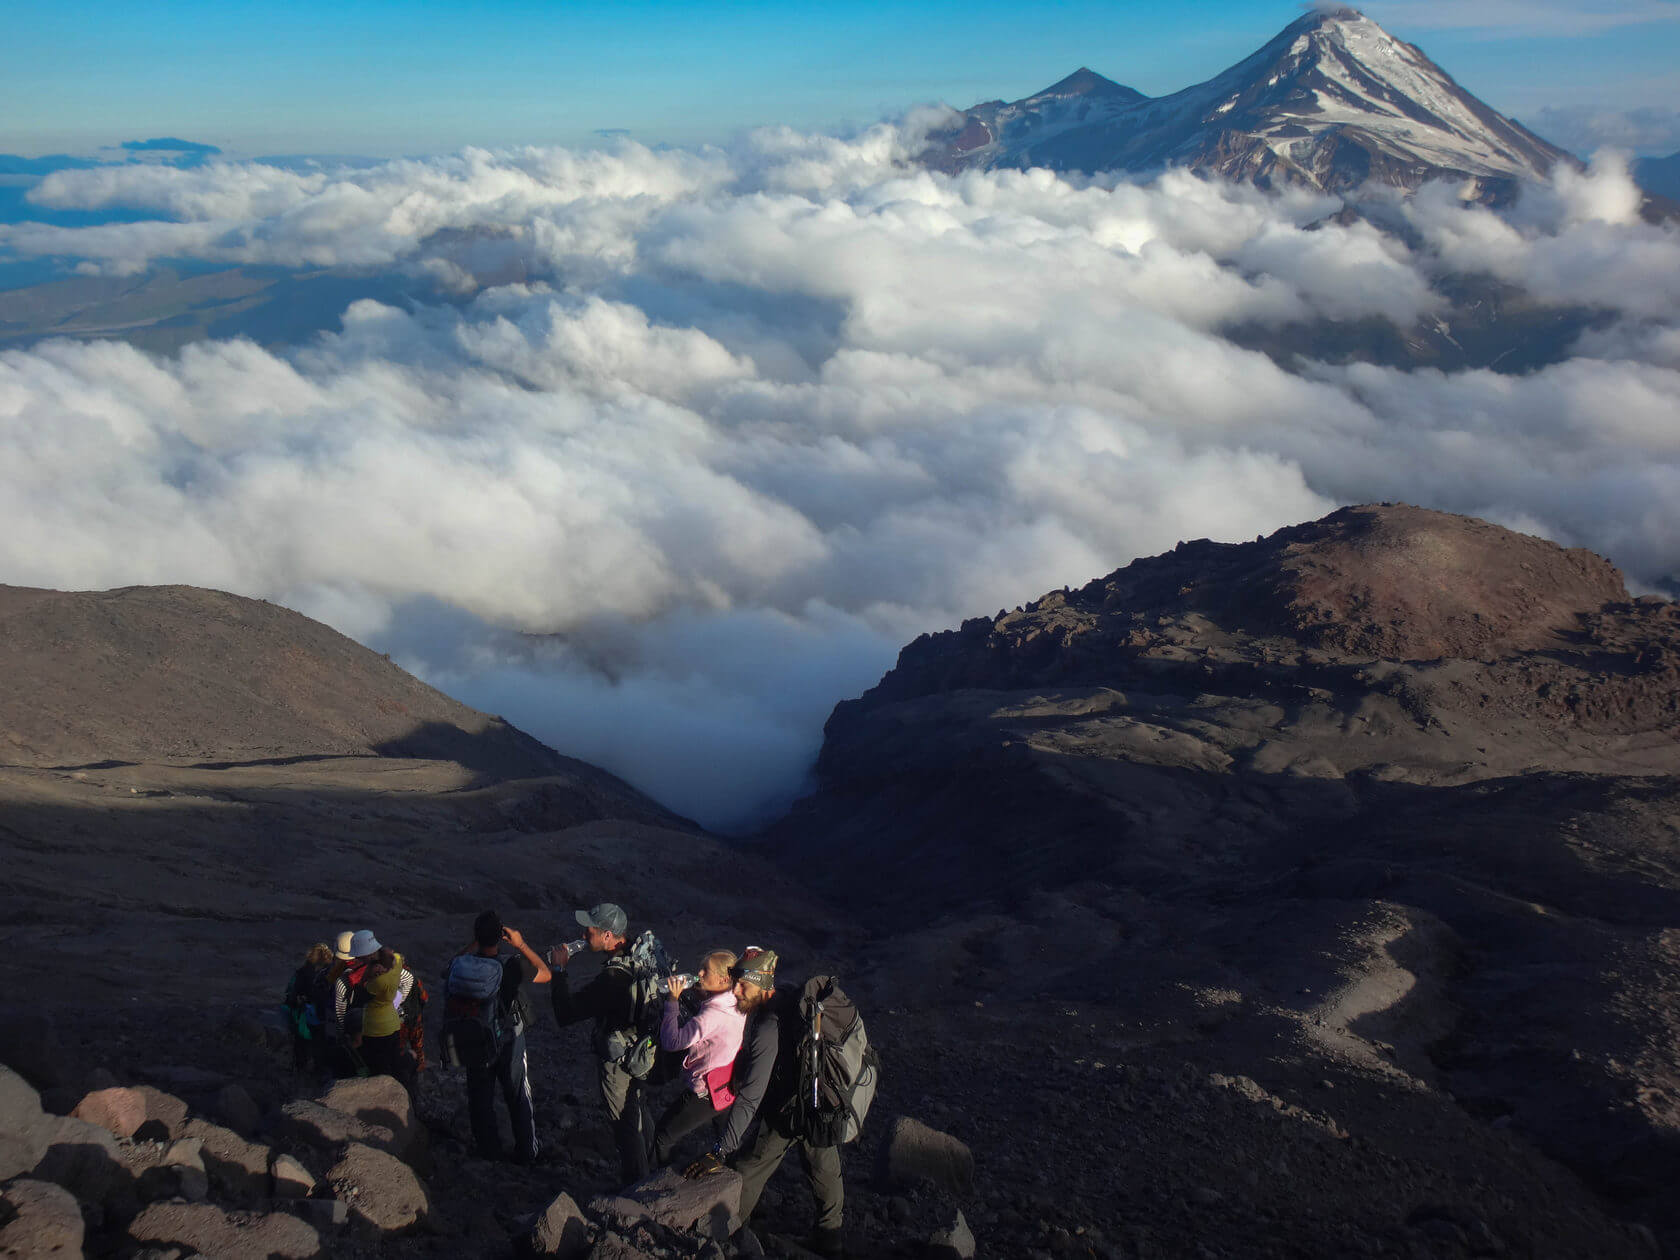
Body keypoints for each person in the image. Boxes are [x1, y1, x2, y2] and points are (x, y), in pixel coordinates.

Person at [687, 949, 846, 1260]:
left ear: (761, 985)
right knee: (824, 1166)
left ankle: (726, 1234)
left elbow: (750, 1098)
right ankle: (831, 1238)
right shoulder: (787, 994)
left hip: (789, 1111)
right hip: (818, 1100)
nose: (735, 991)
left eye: (742, 985)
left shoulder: (767, 1024)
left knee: (748, 1167)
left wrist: (720, 1151)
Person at [549, 902, 656, 1184]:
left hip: (618, 1060)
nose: (584, 936)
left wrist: (559, 971)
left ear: (608, 936)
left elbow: (566, 1014)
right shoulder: (639, 955)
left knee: (624, 1122)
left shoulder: (612, 979)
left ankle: (637, 1185)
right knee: (639, 1109)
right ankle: (653, 1168)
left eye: (590, 931)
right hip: (640, 1051)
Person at [442, 909, 551, 1163]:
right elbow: (545, 972)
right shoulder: (509, 966)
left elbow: (448, 967)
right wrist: (520, 943)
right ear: (501, 937)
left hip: (473, 1038)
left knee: (480, 1097)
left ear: (477, 937)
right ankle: (527, 1153)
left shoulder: (461, 964)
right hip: (508, 1041)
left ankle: (488, 1152)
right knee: (517, 1095)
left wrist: (475, 942)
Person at [650, 950, 747, 1167]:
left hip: (705, 1091)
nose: (699, 973)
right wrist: (705, 995)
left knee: (662, 1137)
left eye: (706, 971)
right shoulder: (737, 1000)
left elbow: (672, 1042)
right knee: (727, 1140)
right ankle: (731, 1180)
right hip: (728, 1084)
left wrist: (672, 1001)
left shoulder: (712, 1016)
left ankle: (659, 1185)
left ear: (723, 979)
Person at [345, 930, 417, 1095]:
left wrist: (367, 974)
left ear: (368, 955)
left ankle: (388, 1099)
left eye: (359, 956)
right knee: (392, 1061)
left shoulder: (377, 981)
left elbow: (358, 997)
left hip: (376, 1028)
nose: (357, 960)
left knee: (380, 1069)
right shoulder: (397, 960)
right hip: (392, 1022)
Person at [282, 942, 334, 1073]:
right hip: (325, 1019)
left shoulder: (301, 973)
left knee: (301, 1049)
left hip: (304, 1019)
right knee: (321, 1051)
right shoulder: (330, 973)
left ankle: (300, 1073)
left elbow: (290, 998)